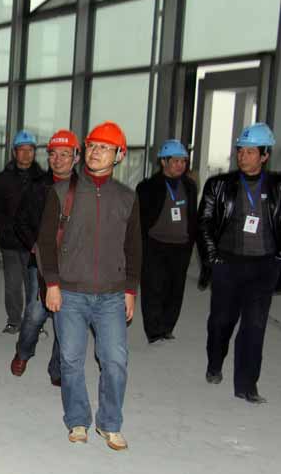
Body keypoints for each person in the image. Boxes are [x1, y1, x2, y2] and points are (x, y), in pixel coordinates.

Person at [38, 121, 141, 451]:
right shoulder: (61, 192)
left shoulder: (126, 197)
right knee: (70, 360)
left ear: (119, 155)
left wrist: (130, 290)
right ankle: (77, 419)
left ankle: (109, 423)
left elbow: (134, 247)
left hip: (112, 294)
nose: (97, 152)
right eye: (93, 146)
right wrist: (52, 284)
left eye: (105, 148)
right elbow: (45, 243)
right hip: (69, 292)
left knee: (115, 361)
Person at [197, 122, 280, 404]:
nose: (243, 157)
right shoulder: (219, 185)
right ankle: (215, 362)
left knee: (254, 327)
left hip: (264, 267)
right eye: (240, 151)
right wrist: (213, 259)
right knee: (221, 322)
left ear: (265, 155)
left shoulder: (277, 187)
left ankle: (247, 385)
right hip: (228, 264)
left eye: (250, 152)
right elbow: (204, 223)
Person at [10, 129, 80, 385]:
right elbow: (20, 221)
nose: (58, 160)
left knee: (67, 317)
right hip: (39, 260)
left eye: (65, 154)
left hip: (73, 263)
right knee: (36, 312)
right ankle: (23, 351)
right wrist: (35, 246)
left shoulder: (84, 190)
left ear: (76, 157)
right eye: (53, 154)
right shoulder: (37, 186)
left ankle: (58, 368)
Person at [136, 139, 198, 344]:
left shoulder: (189, 186)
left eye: (183, 161)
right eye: (176, 161)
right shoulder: (147, 187)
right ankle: (154, 331)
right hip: (155, 245)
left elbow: (193, 216)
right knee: (153, 288)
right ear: (163, 162)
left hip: (181, 247)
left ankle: (167, 327)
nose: (180, 165)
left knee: (175, 289)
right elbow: (139, 219)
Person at [0, 130, 45, 334]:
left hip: (34, 243)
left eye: (30, 150)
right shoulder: (2, 179)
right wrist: (4, 228)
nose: (26, 154)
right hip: (11, 242)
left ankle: (33, 322)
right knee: (12, 285)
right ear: (14, 152)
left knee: (33, 285)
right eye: (22, 150)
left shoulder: (42, 179)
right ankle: (14, 320)